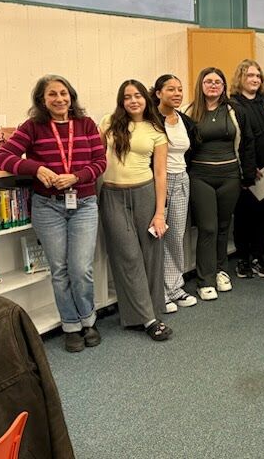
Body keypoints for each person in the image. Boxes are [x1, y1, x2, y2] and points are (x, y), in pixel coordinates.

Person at [0, 75, 106, 352]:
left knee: (81, 268)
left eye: (64, 93)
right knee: (60, 270)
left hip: (83, 204)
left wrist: (76, 177)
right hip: (47, 207)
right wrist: (35, 168)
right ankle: (70, 325)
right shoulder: (33, 127)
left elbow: (100, 161)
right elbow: (2, 156)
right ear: (42, 100)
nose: (59, 99)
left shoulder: (86, 124)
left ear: (72, 96)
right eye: (52, 94)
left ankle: (88, 320)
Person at [99, 80, 172, 341]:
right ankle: (147, 319)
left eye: (138, 95)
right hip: (112, 195)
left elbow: (161, 173)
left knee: (151, 255)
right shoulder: (108, 122)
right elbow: (94, 156)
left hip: (145, 193)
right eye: (127, 96)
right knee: (127, 256)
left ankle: (152, 310)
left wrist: (160, 212)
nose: (133, 100)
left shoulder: (156, 129)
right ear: (121, 101)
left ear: (146, 98)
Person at [185, 67, 255, 301]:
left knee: (224, 225)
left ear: (224, 86)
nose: (213, 85)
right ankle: (205, 279)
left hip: (230, 176)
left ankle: (221, 271)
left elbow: (247, 143)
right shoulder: (190, 112)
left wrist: (247, 174)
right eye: (208, 81)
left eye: (218, 81)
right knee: (208, 227)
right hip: (200, 176)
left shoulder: (235, 110)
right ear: (201, 85)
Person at [151, 74, 199, 314]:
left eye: (180, 89)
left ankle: (175, 287)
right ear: (158, 93)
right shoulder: (150, 120)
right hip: (157, 182)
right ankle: (159, 291)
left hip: (182, 179)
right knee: (156, 236)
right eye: (171, 89)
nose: (177, 94)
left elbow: (190, 150)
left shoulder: (184, 120)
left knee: (176, 236)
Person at [230, 60, 264, 279]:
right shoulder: (232, 104)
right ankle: (243, 259)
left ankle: (258, 257)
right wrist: (248, 168)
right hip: (248, 172)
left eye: (258, 76)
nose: (255, 79)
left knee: (263, 217)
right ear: (240, 78)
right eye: (250, 75)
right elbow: (238, 141)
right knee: (244, 217)